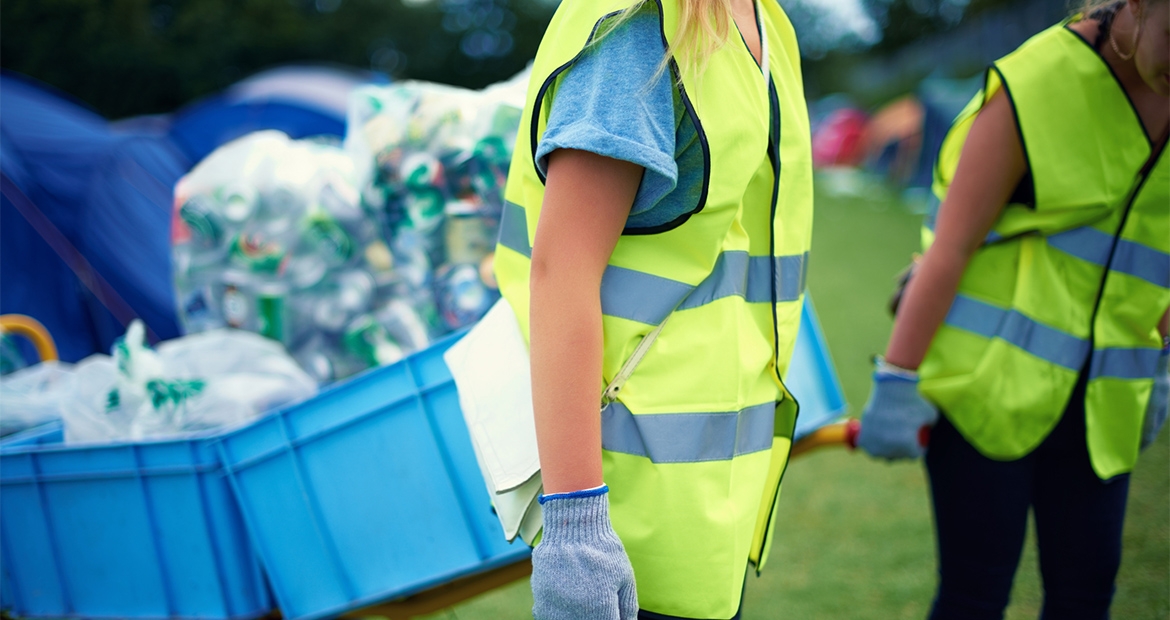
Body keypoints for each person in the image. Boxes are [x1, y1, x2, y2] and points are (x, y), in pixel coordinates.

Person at [491, 0, 814, 617]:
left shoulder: (767, 21)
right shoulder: (637, 29)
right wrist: (576, 532)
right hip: (623, 514)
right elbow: (562, 274)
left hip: (705, 507)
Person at [857, 0, 1169, 618]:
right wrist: (897, 381)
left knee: (1086, 596)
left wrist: (1160, 365)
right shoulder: (1036, 84)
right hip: (986, 394)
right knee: (974, 597)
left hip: (1103, 404)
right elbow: (949, 249)